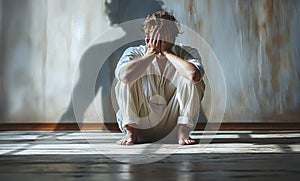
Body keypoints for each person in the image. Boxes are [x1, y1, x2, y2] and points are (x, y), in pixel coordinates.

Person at [114, 11, 205, 145]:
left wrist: (167, 52)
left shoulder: (188, 52)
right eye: (157, 37)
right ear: (147, 38)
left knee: (193, 79)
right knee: (124, 80)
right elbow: (124, 77)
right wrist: (151, 54)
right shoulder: (134, 52)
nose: (160, 42)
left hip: (173, 127)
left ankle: (183, 130)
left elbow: (194, 76)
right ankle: (130, 131)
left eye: (166, 38)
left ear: (174, 38)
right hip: (142, 126)